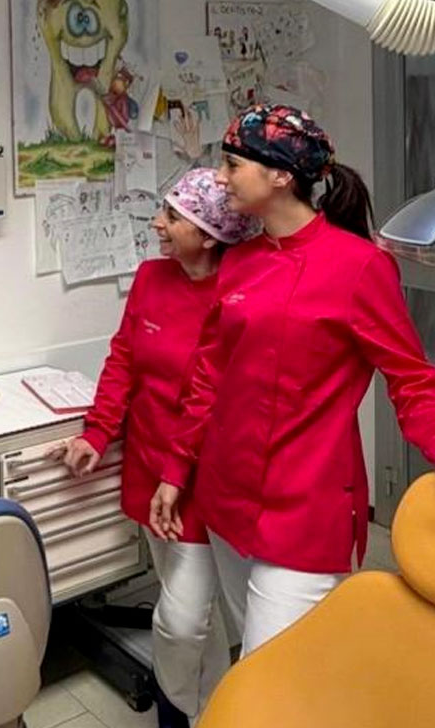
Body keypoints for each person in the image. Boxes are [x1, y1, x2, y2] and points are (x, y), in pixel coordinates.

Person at [151, 104, 435, 657]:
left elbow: (412, 382)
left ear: (280, 176)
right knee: (250, 663)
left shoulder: (360, 266)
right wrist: (176, 469)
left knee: (279, 672)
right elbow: (208, 377)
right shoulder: (241, 260)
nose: (221, 178)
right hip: (224, 496)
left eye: (233, 165)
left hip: (305, 509)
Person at [54, 168, 257, 727]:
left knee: (183, 619)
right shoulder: (151, 278)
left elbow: (221, 397)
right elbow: (123, 358)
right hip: (150, 469)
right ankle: (205, 711)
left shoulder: (243, 291)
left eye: (172, 216)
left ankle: (179, 708)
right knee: (187, 608)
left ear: (209, 235)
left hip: (207, 479)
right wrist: (97, 431)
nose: (157, 224)